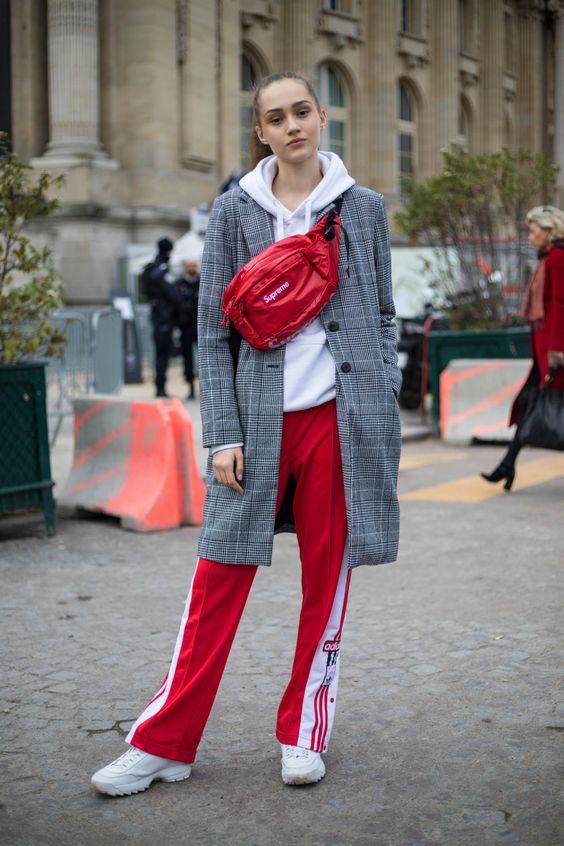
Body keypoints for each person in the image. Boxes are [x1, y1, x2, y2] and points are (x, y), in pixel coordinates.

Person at [91, 71, 401, 797]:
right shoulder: (233, 212)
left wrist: (380, 398)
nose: (292, 124)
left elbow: (383, 314)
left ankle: (303, 731)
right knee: (216, 579)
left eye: (302, 111)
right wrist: (221, 432)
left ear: (322, 118)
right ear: (259, 132)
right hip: (257, 425)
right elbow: (211, 330)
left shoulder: (364, 209)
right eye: (276, 117)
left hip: (339, 419)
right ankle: (164, 742)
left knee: (328, 581)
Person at [482, 205, 564, 490]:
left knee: (543, 406)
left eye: (533, 231)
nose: (530, 237)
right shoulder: (548, 258)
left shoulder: (557, 258)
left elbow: (559, 305)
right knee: (531, 402)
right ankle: (507, 465)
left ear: (549, 230)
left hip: (555, 352)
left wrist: (555, 351)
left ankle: (507, 465)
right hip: (545, 351)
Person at [141, 237, 178, 398]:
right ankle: (160, 387)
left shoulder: (150, 268)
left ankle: (160, 386)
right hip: (164, 317)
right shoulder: (161, 270)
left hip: (158, 314)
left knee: (161, 353)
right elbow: (173, 294)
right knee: (163, 353)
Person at [175, 258, 200, 399]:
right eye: (189, 265)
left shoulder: (201, 282)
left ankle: (204, 388)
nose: (192, 268)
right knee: (187, 359)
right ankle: (190, 387)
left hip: (200, 326)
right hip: (185, 327)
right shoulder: (180, 284)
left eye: (194, 265)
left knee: (204, 358)